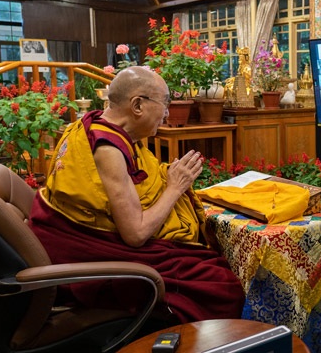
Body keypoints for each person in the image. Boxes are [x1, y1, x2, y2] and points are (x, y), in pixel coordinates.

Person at [28, 67, 245, 323]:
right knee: (220, 285)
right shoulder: (107, 149)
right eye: (164, 103)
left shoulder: (89, 126)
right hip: (96, 256)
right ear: (138, 105)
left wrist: (166, 177)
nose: (166, 113)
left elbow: (136, 186)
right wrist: (175, 187)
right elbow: (136, 234)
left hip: (89, 242)